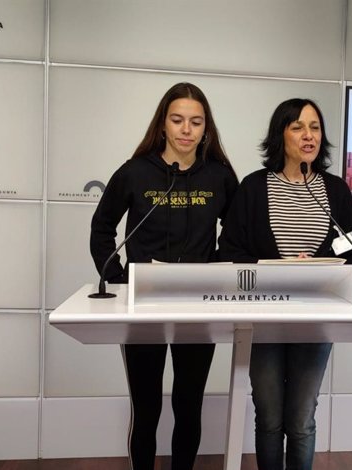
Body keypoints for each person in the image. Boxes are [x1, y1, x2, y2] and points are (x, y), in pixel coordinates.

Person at [90, 82, 238, 470]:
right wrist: (121, 280)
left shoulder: (219, 176)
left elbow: (238, 234)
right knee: (147, 407)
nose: (186, 129)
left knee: (189, 404)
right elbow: (102, 228)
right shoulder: (135, 172)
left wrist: (216, 272)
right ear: (162, 124)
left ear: (206, 128)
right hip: (144, 308)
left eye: (195, 121)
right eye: (177, 120)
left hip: (199, 306)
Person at [218, 98, 352, 470]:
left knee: (301, 419)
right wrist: (275, 268)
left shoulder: (335, 191)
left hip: (315, 320)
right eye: (298, 126)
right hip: (262, 318)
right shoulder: (253, 188)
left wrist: (318, 268)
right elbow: (229, 251)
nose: (308, 135)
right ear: (280, 134)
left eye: (315, 127)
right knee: (268, 417)